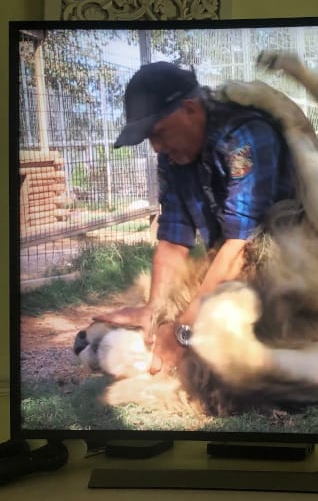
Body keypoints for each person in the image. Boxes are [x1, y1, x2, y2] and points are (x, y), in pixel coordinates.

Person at [95, 61, 296, 375]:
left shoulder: (243, 137)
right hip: (237, 259)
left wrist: (183, 332)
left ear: (189, 109)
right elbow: (174, 238)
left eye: (158, 133)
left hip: (295, 261)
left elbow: (244, 243)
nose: (157, 147)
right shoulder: (174, 155)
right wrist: (154, 309)